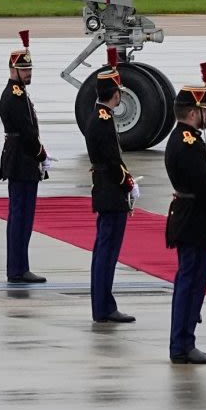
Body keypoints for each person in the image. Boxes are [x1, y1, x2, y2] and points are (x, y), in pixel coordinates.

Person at [164, 62, 206, 363]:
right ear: (192, 113)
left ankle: (185, 340)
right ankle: (182, 344)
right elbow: (203, 186)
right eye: (204, 110)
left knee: (192, 282)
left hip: (191, 217)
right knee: (191, 282)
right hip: (195, 219)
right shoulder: (188, 142)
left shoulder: (187, 139)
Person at [81, 50, 138, 325]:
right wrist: (127, 182)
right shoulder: (103, 120)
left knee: (105, 251)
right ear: (114, 93)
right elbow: (112, 159)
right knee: (107, 251)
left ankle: (103, 304)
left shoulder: (99, 116)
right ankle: (103, 307)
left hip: (104, 188)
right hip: (110, 190)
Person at [0, 30, 48, 284]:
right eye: (23, 69)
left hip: (21, 157)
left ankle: (19, 266)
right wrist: (40, 153)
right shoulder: (15, 95)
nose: (28, 73)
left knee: (23, 215)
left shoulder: (18, 93)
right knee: (21, 215)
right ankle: (17, 268)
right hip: (22, 158)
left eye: (29, 68)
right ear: (13, 69)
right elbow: (26, 131)